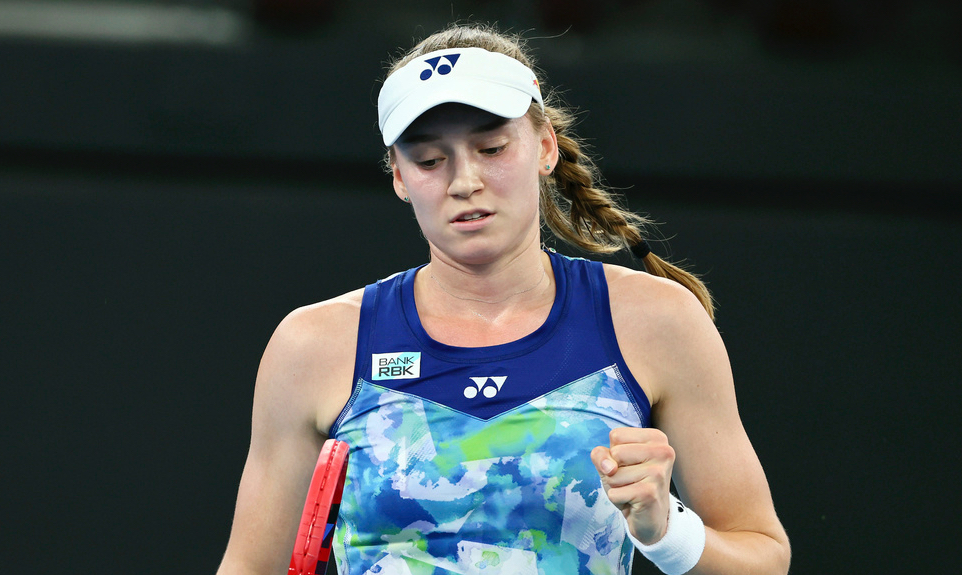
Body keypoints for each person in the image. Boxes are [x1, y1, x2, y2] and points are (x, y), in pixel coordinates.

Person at [217, 23, 790, 575]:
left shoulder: (657, 320)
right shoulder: (313, 346)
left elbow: (763, 556)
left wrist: (667, 532)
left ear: (545, 147)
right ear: (399, 177)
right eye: (429, 159)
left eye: (491, 147)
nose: (464, 181)